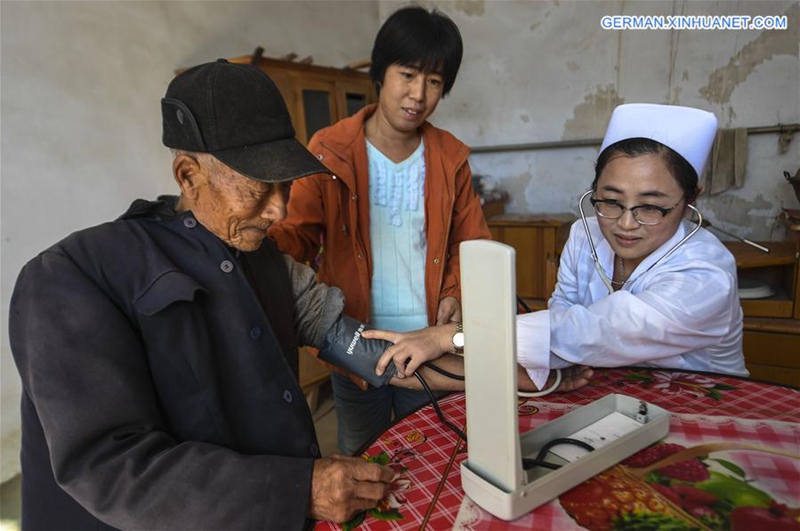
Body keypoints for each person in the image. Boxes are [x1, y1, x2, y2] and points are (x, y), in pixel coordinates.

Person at [8, 59, 477, 531]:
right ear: (188, 174)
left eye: (286, 184)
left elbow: (367, 350)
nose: (278, 209)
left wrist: (501, 374)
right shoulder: (71, 279)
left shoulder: (267, 262)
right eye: (258, 185)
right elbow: (111, 468)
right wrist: (301, 489)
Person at [369, 103, 748, 388]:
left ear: (690, 200)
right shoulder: (585, 235)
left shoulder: (705, 275)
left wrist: (451, 337)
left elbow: (590, 330)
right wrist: (553, 369)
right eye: (611, 200)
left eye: (650, 207)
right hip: (604, 390)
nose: (626, 223)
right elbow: (563, 311)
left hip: (704, 406)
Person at [268, 5, 491, 455]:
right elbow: (298, 236)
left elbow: (473, 245)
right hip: (356, 344)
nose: (418, 94)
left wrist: (457, 291)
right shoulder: (329, 151)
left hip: (427, 346)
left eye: (434, 82)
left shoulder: (449, 158)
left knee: (432, 457)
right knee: (363, 458)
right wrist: (254, 239)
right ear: (380, 72)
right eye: (407, 74)